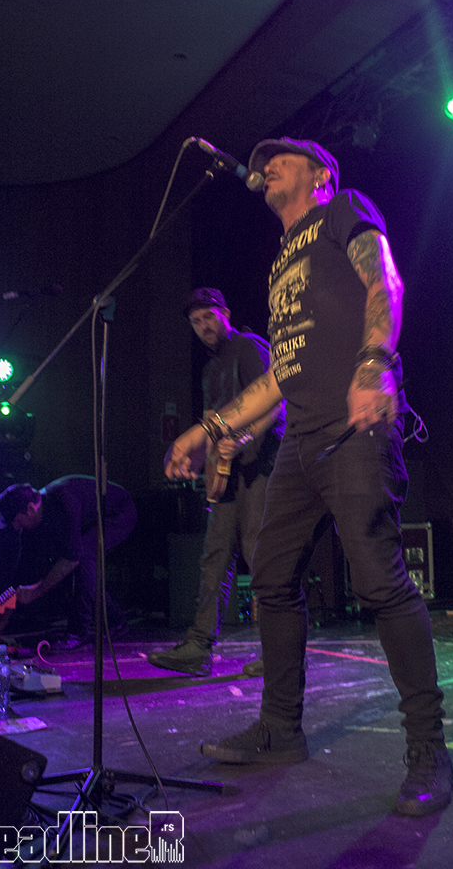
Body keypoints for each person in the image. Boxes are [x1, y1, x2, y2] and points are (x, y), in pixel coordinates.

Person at [164, 138, 453, 818]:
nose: (265, 165)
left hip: (354, 427)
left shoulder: (342, 210)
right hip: (300, 441)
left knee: (379, 579)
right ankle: (279, 728)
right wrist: (207, 430)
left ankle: (426, 746)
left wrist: (374, 362)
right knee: (270, 576)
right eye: (262, 161)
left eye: (282, 158)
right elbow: (279, 376)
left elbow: (385, 280)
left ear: (319, 174)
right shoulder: (279, 264)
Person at [148, 288, 284, 677]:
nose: (203, 326)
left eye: (209, 316)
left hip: (262, 465)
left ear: (225, 313)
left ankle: (281, 651)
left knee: (262, 556)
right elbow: (213, 425)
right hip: (229, 475)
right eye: (196, 322)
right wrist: (197, 460)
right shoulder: (209, 370)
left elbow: (275, 402)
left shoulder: (248, 346)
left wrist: (243, 439)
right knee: (214, 557)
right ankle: (198, 647)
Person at [0, 475, 137, 647]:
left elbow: (72, 559)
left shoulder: (64, 502)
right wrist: (4, 617)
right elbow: (23, 570)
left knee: (82, 557)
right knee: (72, 564)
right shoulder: (33, 520)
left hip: (119, 514)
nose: (15, 526)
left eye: (16, 520)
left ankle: (78, 633)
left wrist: (37, 590)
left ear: (30, 509)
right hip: (90, 519)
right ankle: (116, 622)